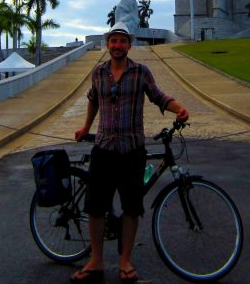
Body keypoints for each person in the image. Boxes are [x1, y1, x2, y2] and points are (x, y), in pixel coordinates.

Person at [72, 22, 189, 284]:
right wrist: (85, 127)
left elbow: (159, 97)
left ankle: (125, 261)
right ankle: (96, 261)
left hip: (132, 149)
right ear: (107, 43)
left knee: (131, 208)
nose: (117, 46)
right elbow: (93, 100)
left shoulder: (141, 73)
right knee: (95, 207)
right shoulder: (98, 73)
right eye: (113, 41)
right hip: (104, 147)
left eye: (122, 41)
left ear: (129, 45)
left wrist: (179, 108)